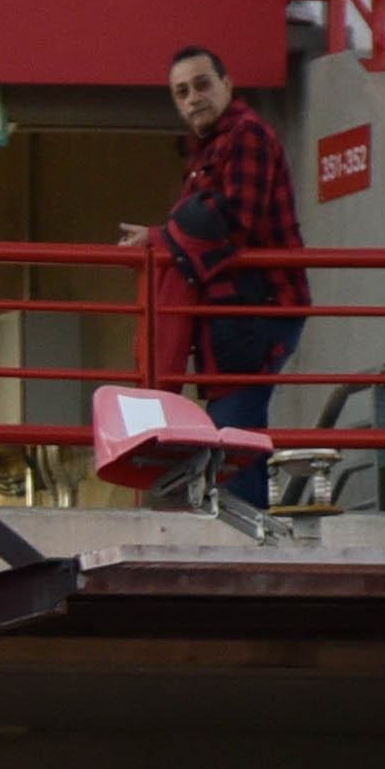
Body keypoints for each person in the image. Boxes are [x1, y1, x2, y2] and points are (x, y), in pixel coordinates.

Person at [137, 45, 297, 483]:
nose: (192, 98)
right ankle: (250, 540)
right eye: (181, 92)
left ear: (228, 84)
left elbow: (234, 222)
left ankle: (248, 543)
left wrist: (160, 237)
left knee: (231, 442)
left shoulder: (247, 135)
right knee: (231, 439)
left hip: (256, 308)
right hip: (237, 315)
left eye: (202, 84)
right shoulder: (214, 145)